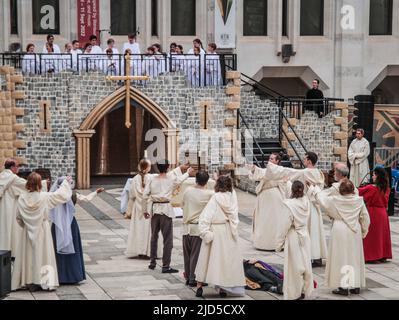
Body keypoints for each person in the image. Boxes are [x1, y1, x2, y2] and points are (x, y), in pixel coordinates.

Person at [11, 173, 73, 292]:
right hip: (42, 230)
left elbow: (18, 218)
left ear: (28, 183)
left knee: (29, 256)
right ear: (39, 184)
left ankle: (29, 281)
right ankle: (45, 282)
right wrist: (66, 182)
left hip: (27, 232)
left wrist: (27, 225)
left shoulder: (22, 198)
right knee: (44, 254)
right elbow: (61, 195)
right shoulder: (44, 197)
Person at [266, 152, 327, 268]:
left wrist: (273, 168)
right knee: (316, 231)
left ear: (309, 161)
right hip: (315, 204)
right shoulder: (319, 172)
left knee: (309, 230)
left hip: (308, 203)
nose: (303, 160)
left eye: (305, 158)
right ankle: (317, 256)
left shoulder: (306, 172)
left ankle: (311, 256)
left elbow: (288, 172)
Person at [312, 179, 370, 296]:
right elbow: (365, 217)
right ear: (353, 189)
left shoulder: (335, 200)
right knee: (354, 257)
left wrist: (315, 190)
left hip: (340, 229)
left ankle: (343, 286)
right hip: (354, 230)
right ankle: (355, 285)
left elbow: (322, 201)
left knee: (341, 258)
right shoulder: (359, 201)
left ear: (341, 190)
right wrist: (364, 231)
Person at [195, 175, 246, 298]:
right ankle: (223, 288)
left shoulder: (215, 198)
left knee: (206, 260)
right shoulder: (232, 198)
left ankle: (199, 287)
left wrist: (205, 232)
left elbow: (205, 217)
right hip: (228, 231)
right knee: (225, 261)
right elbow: (234, 217)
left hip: (216, 231)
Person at [49, 177, 104, 285]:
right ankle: (73, 275)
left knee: (56, 249)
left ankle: (59, 275)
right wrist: (95, 192)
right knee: (73, 248)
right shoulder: (72, 194)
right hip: (70, 224)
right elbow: (86, 199)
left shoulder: (53, 196)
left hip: (57, 226)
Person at [143, 160, 193, 273]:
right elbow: (179, 180)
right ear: (168, 167)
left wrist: (144, 210)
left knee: (154, 237)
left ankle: (152, 262)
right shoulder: (170, 179)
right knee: (168, 239)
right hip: (166, 209)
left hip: (155, 209)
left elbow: (145, 195)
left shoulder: (151, 179)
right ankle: (166, 266)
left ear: (156, 167)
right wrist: (187, 173)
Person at [276, 181, 313, 300]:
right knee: (305, 263)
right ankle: (304, 290)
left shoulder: (289, 204)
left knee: (294, 266)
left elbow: (284, 225)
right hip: (305, 234)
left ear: (292, 190)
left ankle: (294, 293)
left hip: (293, 236)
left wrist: (279, 243)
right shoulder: (306, 201)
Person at [247, 153, 290, 251]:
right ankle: (263, 243)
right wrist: (254, 169)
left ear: (277, 161)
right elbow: (260, 173)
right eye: (269, 158)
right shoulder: (267, 170)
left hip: (275, 197)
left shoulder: (279, 171)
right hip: (264, 197)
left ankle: (275, 243)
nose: (269, 160)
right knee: (264, 219)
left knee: (274, 219)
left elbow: (284, 182)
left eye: (272, 159)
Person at [182, 171, 215, 287]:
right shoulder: (209, 194)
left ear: (196, 179)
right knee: (196, 255)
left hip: (186, 227)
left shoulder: (187, 191)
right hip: (197, 228)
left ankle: (188, 276)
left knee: (187, 255)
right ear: (206, 182)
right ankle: (193, 278)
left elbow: (182, 204)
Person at [126, 159, 162, 259]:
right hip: (149, 207)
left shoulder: (134, 179)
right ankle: (149, 251)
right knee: (149, 229)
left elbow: (132, 194)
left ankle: (140, 250)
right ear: (148, 168)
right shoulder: (152, 178)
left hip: (138, 208)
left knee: (139, 229)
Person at [359, 167, 392, 263]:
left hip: (373, 212)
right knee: (382, 235)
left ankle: (372, 256)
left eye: (373, 174)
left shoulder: (371, 188)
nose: (372, 176)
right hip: (383, 213)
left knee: (372, 236)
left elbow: (358, 192)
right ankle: (382, 255)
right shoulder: (386, 188)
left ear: (377, 176)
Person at [0, 159, 26, 256]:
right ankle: (10, 253)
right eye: (17, 166)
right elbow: (27, 185)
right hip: (10, 209)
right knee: (10, 230)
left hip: (1, 208)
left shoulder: (1, 176)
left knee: (2, 229)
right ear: (12, 167)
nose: (18, 168)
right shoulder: (13, 178)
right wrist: (44, 183)